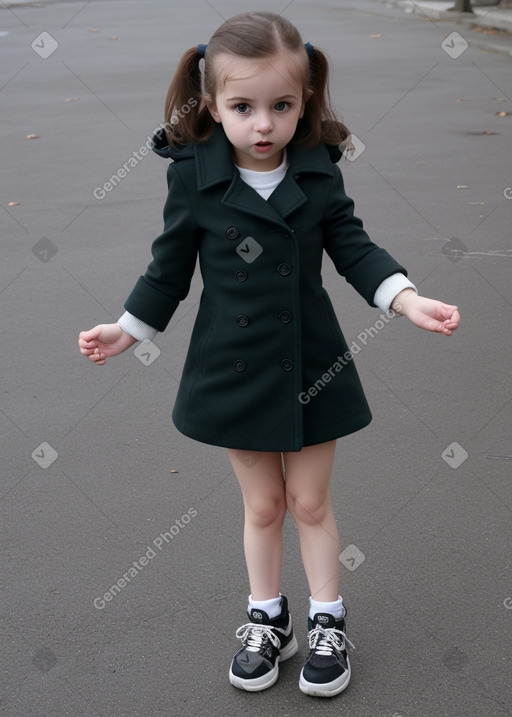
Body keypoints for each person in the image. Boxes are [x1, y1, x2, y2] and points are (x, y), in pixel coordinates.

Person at [78, 11, 460, 698]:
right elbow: (168, 269)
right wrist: (128, 328)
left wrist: (406, 299)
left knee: (309, 502)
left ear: (305, 100)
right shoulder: (195, 177)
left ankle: (328, 619)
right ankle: (266, 616)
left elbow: (354, 247)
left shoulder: (316, 172)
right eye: (243, 107)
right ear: (213, 105)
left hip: (313, 362)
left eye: (281, 106)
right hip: (233, 367)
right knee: (263, 507)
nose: (263, 125)